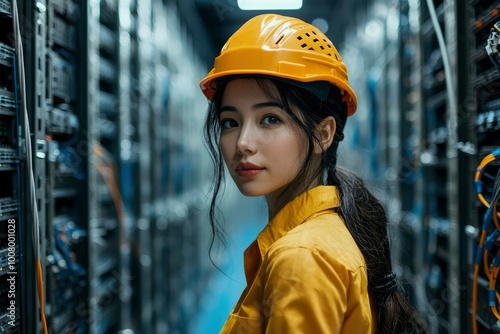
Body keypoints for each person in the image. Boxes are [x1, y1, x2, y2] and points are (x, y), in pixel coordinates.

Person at [199, 14, 426, 334]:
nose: (243, 143)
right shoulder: (322, 234)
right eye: (230, 122)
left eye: (270, 119)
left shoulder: (302, 258)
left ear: (323, 134)